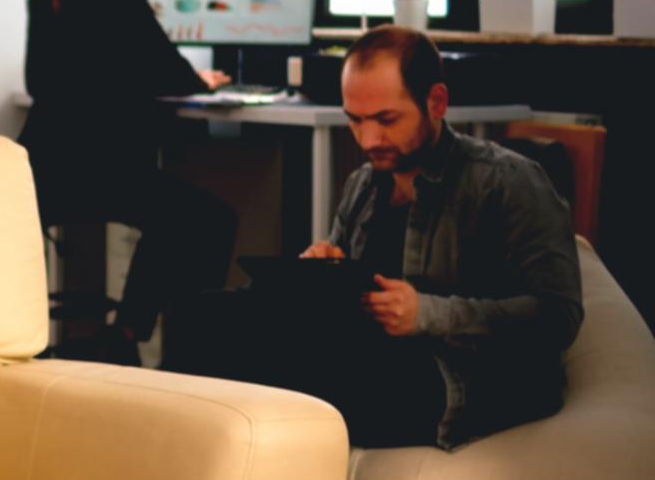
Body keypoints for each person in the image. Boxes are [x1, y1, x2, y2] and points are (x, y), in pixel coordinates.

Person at [166, 26, 582, 450]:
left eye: (387, 120)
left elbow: (559, 315)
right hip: (369, 352)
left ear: (436, 102)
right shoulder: (364, 185)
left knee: (325, 376)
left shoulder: (507, 181)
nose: (369, 140)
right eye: (355, 120)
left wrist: (428, 314)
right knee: (202, 317)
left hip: (460, 375)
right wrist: (321, 273)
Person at [19, 0, 238, 365]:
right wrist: (201, 81)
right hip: (104, 174)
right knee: (208, 220)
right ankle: (171, 353)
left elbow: (37, 81)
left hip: (42, 173)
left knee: (172, 215)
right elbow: (164, 67)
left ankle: (125, 336)